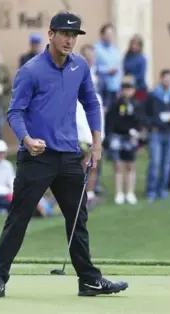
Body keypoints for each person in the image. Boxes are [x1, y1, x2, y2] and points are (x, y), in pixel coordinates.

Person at [0, 12, 128, 299]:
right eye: (64, 34)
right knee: (19, 218)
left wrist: (96, 145)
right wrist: (26, 138)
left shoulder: (80, 66)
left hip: (70, 156)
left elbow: (91, 104)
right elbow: (15, 112)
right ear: (51, 34)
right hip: (37, 157)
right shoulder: (31, 71)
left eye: (74, 35)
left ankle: (88, 280)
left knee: (77, 220)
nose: (70, 40)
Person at [107, 76, 143, 205]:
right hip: (117, 136)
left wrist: (137, 132)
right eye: (125, 88)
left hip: (131, 137)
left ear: (133, 90)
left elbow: (139, 120)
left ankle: (130, 192)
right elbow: (112, 120)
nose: (127, 91)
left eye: (130, 88)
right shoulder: (117, 103)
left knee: (130, 165)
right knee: (117, 165)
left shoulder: (136, 103)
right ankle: (119, 193)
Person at [76, 44, 105, 207]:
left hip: (96, 122)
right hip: (82, 125)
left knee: (93, 165)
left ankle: (91, 193)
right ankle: (81, 195)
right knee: (85, 164)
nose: (90, 59)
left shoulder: (97, 76)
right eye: (87, 56)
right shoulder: (77, 74)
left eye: (92, 56)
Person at [145, 69, 170, 200]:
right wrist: (154, 123)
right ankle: (151, 190)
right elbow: (146, 113)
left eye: (169, 78)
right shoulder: (153, 95)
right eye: (165, 78)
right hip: (156, 133)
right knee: (155, 162)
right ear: (161, 79)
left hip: (169, 133)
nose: (167, 80)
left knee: (166, 163)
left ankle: (162, 189)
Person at [94, 23, 122, 110]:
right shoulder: (96, 49)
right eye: (107, 34)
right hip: (103, 87)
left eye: (111, 34)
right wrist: (107, 71)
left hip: (115, 87)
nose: (110, 37)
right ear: (102, 35)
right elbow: (93, 67)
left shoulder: (115, 49)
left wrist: (120, 86)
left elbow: (119, 68)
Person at [123, 35, 148, 101]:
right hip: (128, 87)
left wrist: (132, 78)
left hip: (139, 88)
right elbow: (125, 70)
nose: (134, 46)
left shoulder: (142, 58)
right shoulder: (127, 56)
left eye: (136, 44)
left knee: (139, 106)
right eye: (132, 44)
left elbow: (141, 75)